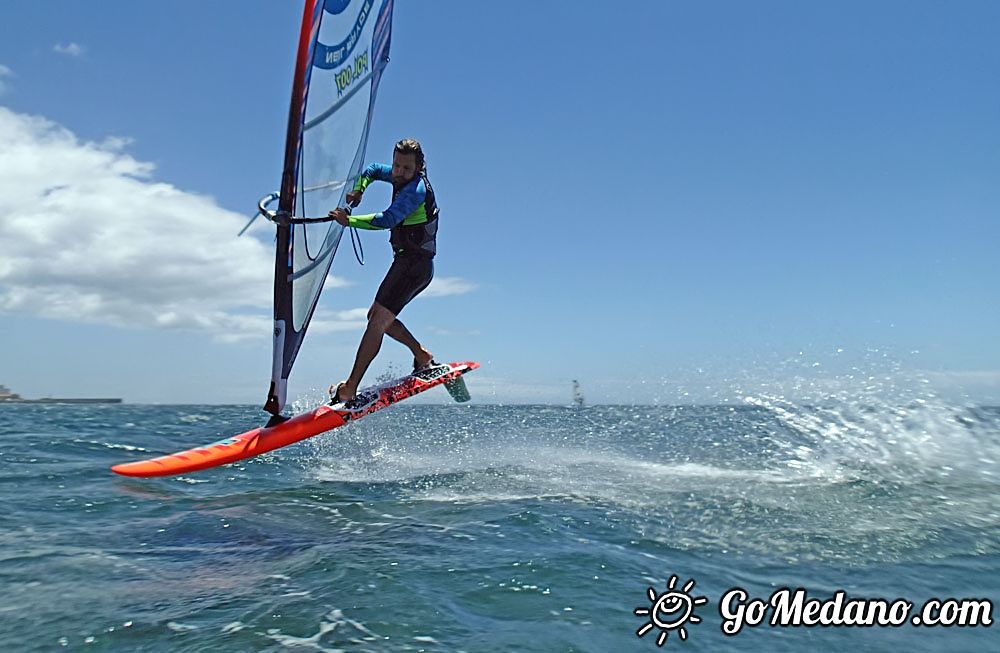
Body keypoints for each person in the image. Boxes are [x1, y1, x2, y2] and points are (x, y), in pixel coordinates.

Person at [327, 138, 439, 403]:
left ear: (419, 167)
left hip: (415, 266)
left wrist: (349, 221)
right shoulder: (397, 173)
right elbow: (374, 169)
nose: (399, 172)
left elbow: (388, 219)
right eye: (397, 165)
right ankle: (422, 356)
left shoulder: (416, 191)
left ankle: (350, 387)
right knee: (376, 318)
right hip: (405, 263)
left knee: (377, 322)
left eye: (406, 168)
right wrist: (360, 190)